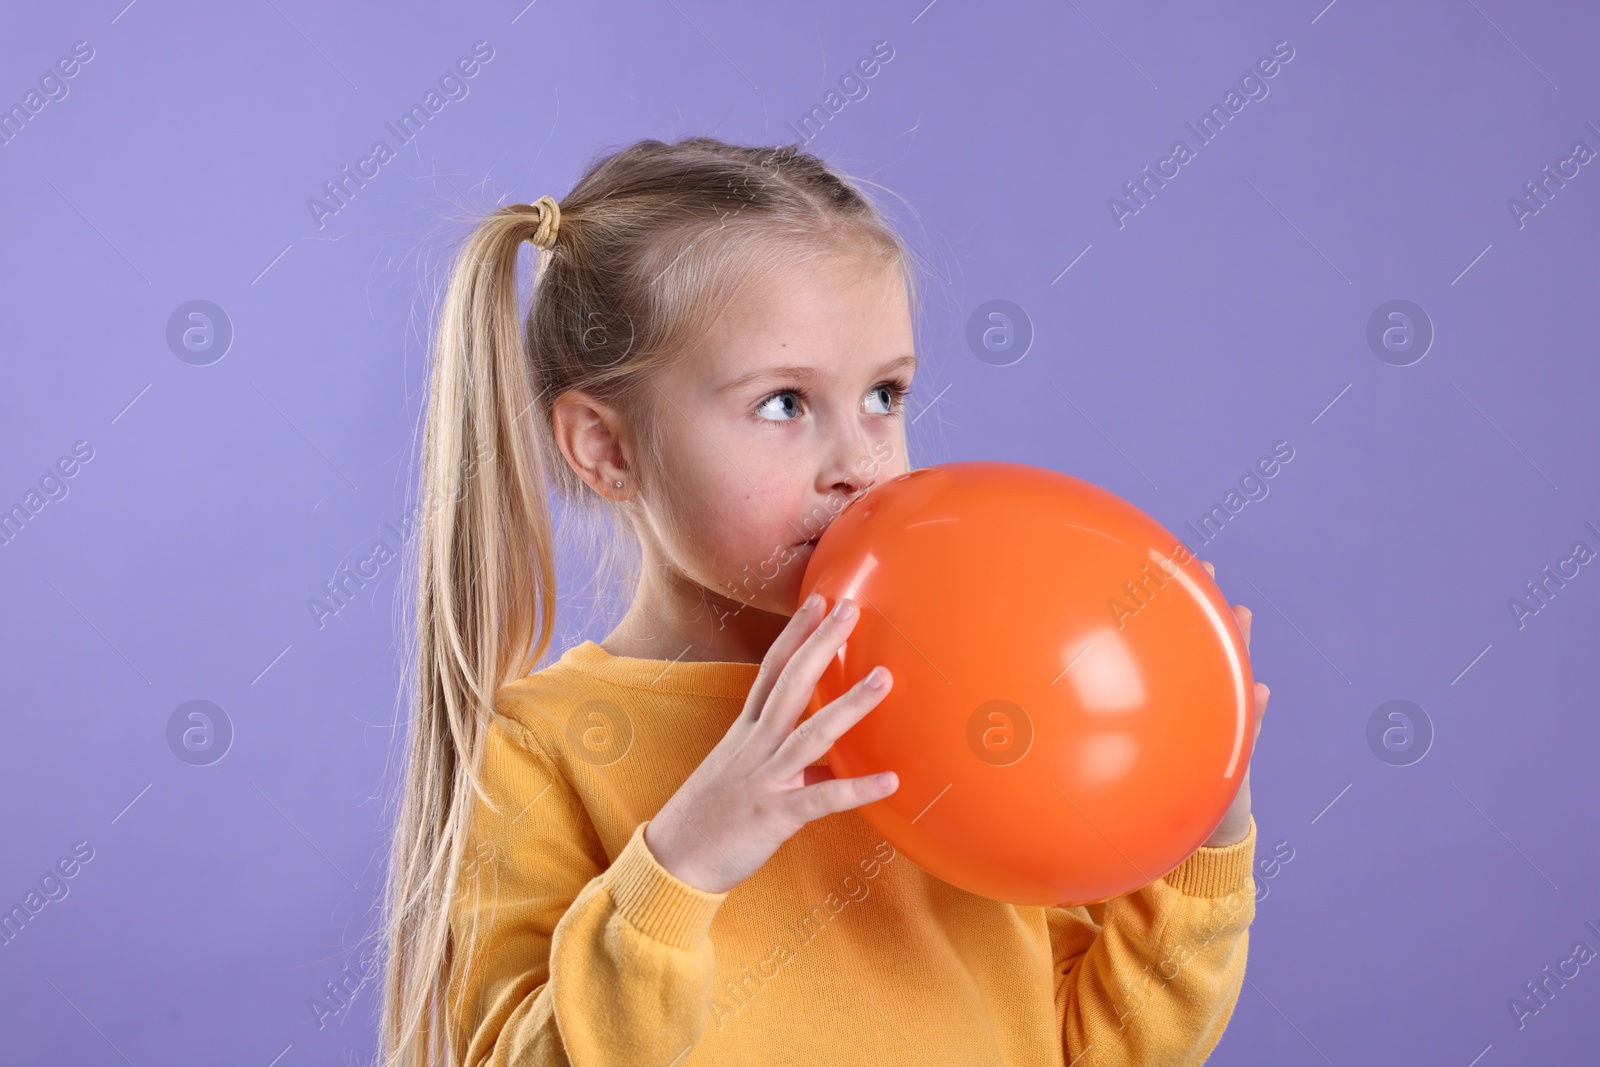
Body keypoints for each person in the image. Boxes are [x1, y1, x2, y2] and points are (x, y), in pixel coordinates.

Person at [372, 135, 1270, 1067]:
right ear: (607, 449)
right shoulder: (538, 747)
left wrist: (1203, 840)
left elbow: (1094, 1047)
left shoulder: (964, 698)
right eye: (782, 405)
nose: (858, 464)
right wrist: (679, 867)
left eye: (885, 393)